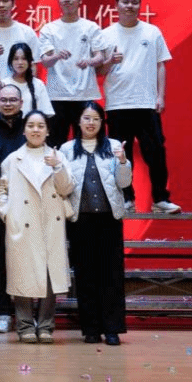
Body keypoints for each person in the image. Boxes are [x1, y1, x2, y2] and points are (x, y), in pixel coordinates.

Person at [96, 0, 181, 213]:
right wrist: (110, 61)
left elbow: (160, 65)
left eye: (134, 2)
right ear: (116, 5)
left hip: (146, 103)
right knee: (120, 155)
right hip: (118, 104)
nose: (130, 6)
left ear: (140, 5)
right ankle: (126, 199)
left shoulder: (152, 32)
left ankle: (160, 199)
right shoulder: (106, 35)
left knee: (156, 152)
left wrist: (160, 96)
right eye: (125, 2)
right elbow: (99, 71)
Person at [0, 110, 74, 343]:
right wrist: (8, 214)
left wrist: (58, 167)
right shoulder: (13, 159)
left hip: (50, 223)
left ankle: (46, 325)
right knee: (22, 275)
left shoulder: (58, 157)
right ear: (24, 130)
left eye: (40, 126)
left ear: (48, 131)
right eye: (31, 125)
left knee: (49, 277)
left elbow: (67, 188)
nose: (36, 130)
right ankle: (25, 325)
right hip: (23, 224)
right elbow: (0, 191)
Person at [62, 101, 132, 346]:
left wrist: (123, 162)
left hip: (109, 219)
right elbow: (63, 186)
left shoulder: (113, 146)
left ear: (102, 123)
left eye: (95, 119)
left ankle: (112, 329)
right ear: (78, 122)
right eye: (86, 118)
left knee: (111, 275)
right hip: (80, 220)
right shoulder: (67, 149)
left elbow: (124, 184)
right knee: (85, 275)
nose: (90, 123)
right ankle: (90, 329)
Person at [38, 0, 104, 146]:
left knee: (86, 142)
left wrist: (89, 61)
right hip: (57, 95)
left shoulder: (91, 27)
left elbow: (100, 57)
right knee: (55, 143)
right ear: (59, 1)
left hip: (84, 94)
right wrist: (57, 56)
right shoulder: (49, 29)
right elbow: (45, 62)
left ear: (80, 0)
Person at [0, 84, 28, 335]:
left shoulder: (31, 128)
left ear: (21, 102)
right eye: (4, 100)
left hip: (29, 207)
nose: (8, 104)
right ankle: (2, 313)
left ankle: (25, 315)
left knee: (27, 262)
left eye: (13, 100)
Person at [3, 42, 54, 121]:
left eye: (24, 59)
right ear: (10, 61)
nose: (20, 62)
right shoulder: (4, 84)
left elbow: (46, 113)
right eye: (16, 59)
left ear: (30, 61)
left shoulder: (38, 84)